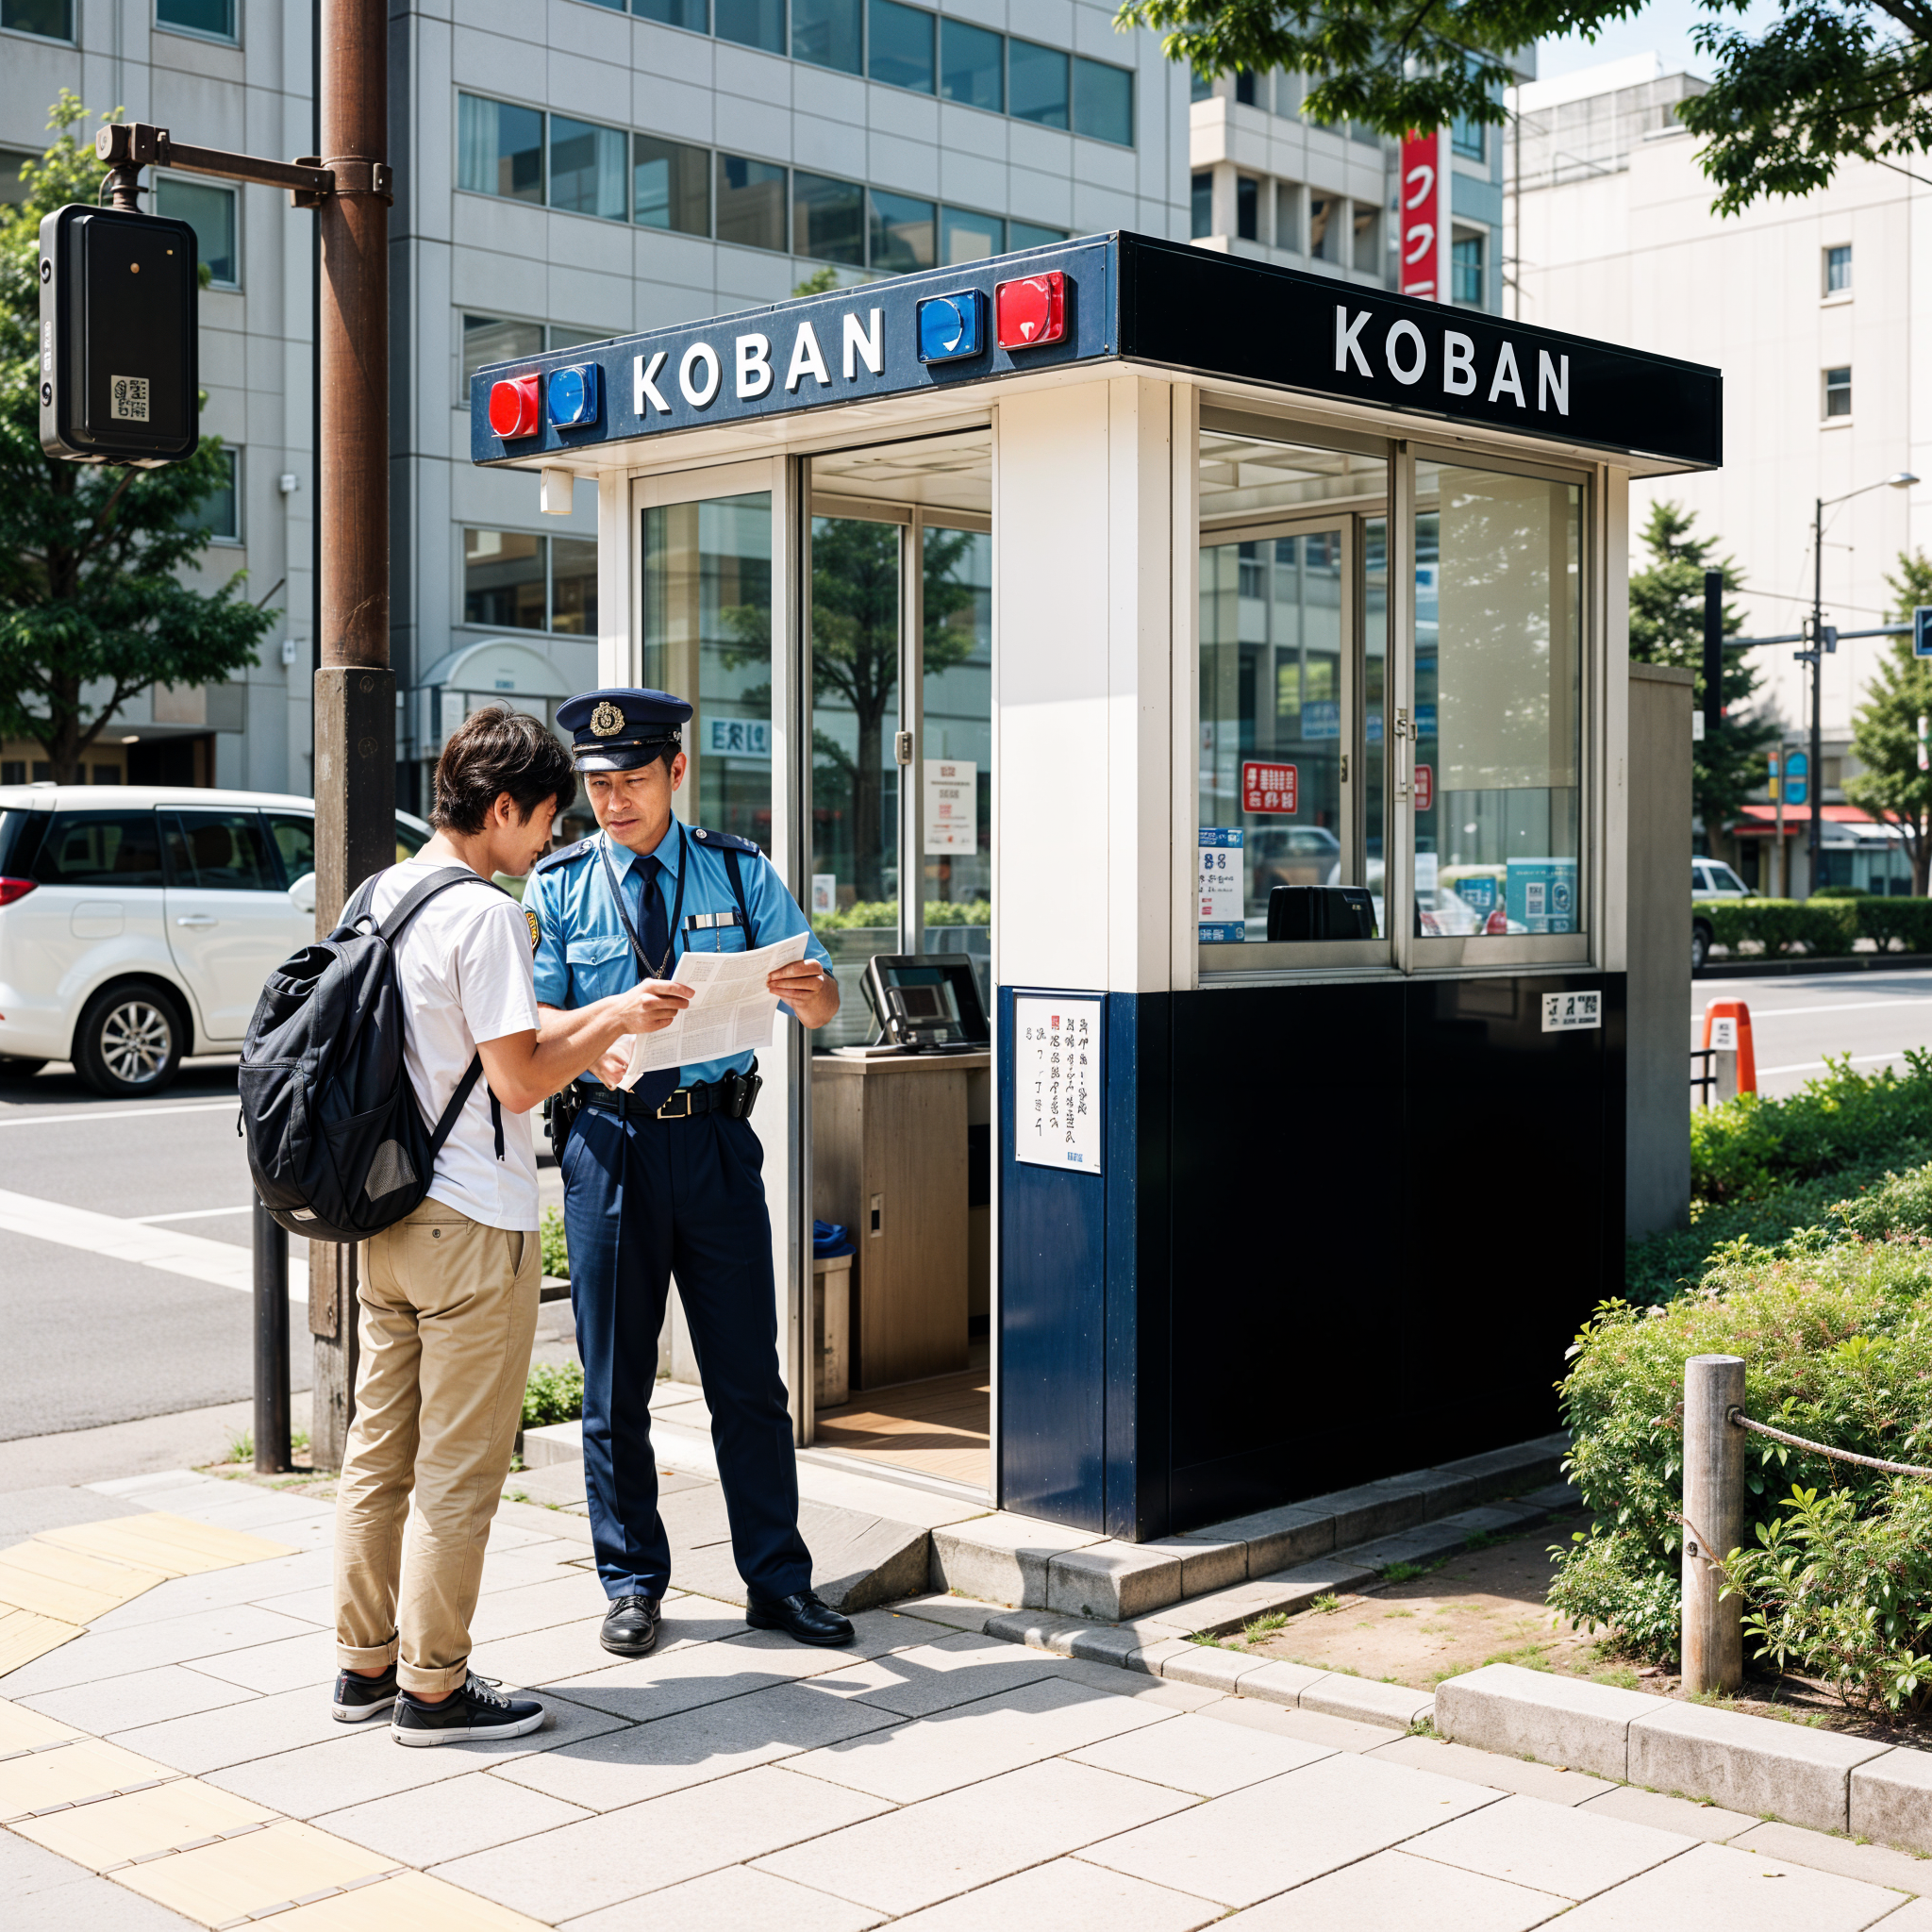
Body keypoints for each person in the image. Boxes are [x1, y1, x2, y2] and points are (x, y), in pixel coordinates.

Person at [330, 706, 695, 1744]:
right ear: (500, 807)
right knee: (457, 1467)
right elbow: (519, 1076)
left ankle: (363, 1664)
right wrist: (613, 1024)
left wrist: (606, 1014)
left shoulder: (385, 892)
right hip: (470, 1223)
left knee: (377, 1451)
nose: (551, 839)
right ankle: (434, 1687)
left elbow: (491, 1039)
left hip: (389, 1214)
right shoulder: (484, 914)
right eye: (543, 817)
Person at [525, 686, 851, 1657]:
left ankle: (777, 1580)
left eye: (631, 780)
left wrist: (809, 985)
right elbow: (530, 1026)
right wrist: (610, 1021)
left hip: (713, 1143)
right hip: (608, 1143)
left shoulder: (737, 872)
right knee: (613, 1382)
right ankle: (630, 1581)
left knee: (748, 1377)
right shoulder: (558, 885)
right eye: (597, 785)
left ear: (675, 771)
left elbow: (824, 1002)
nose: (612, 801)